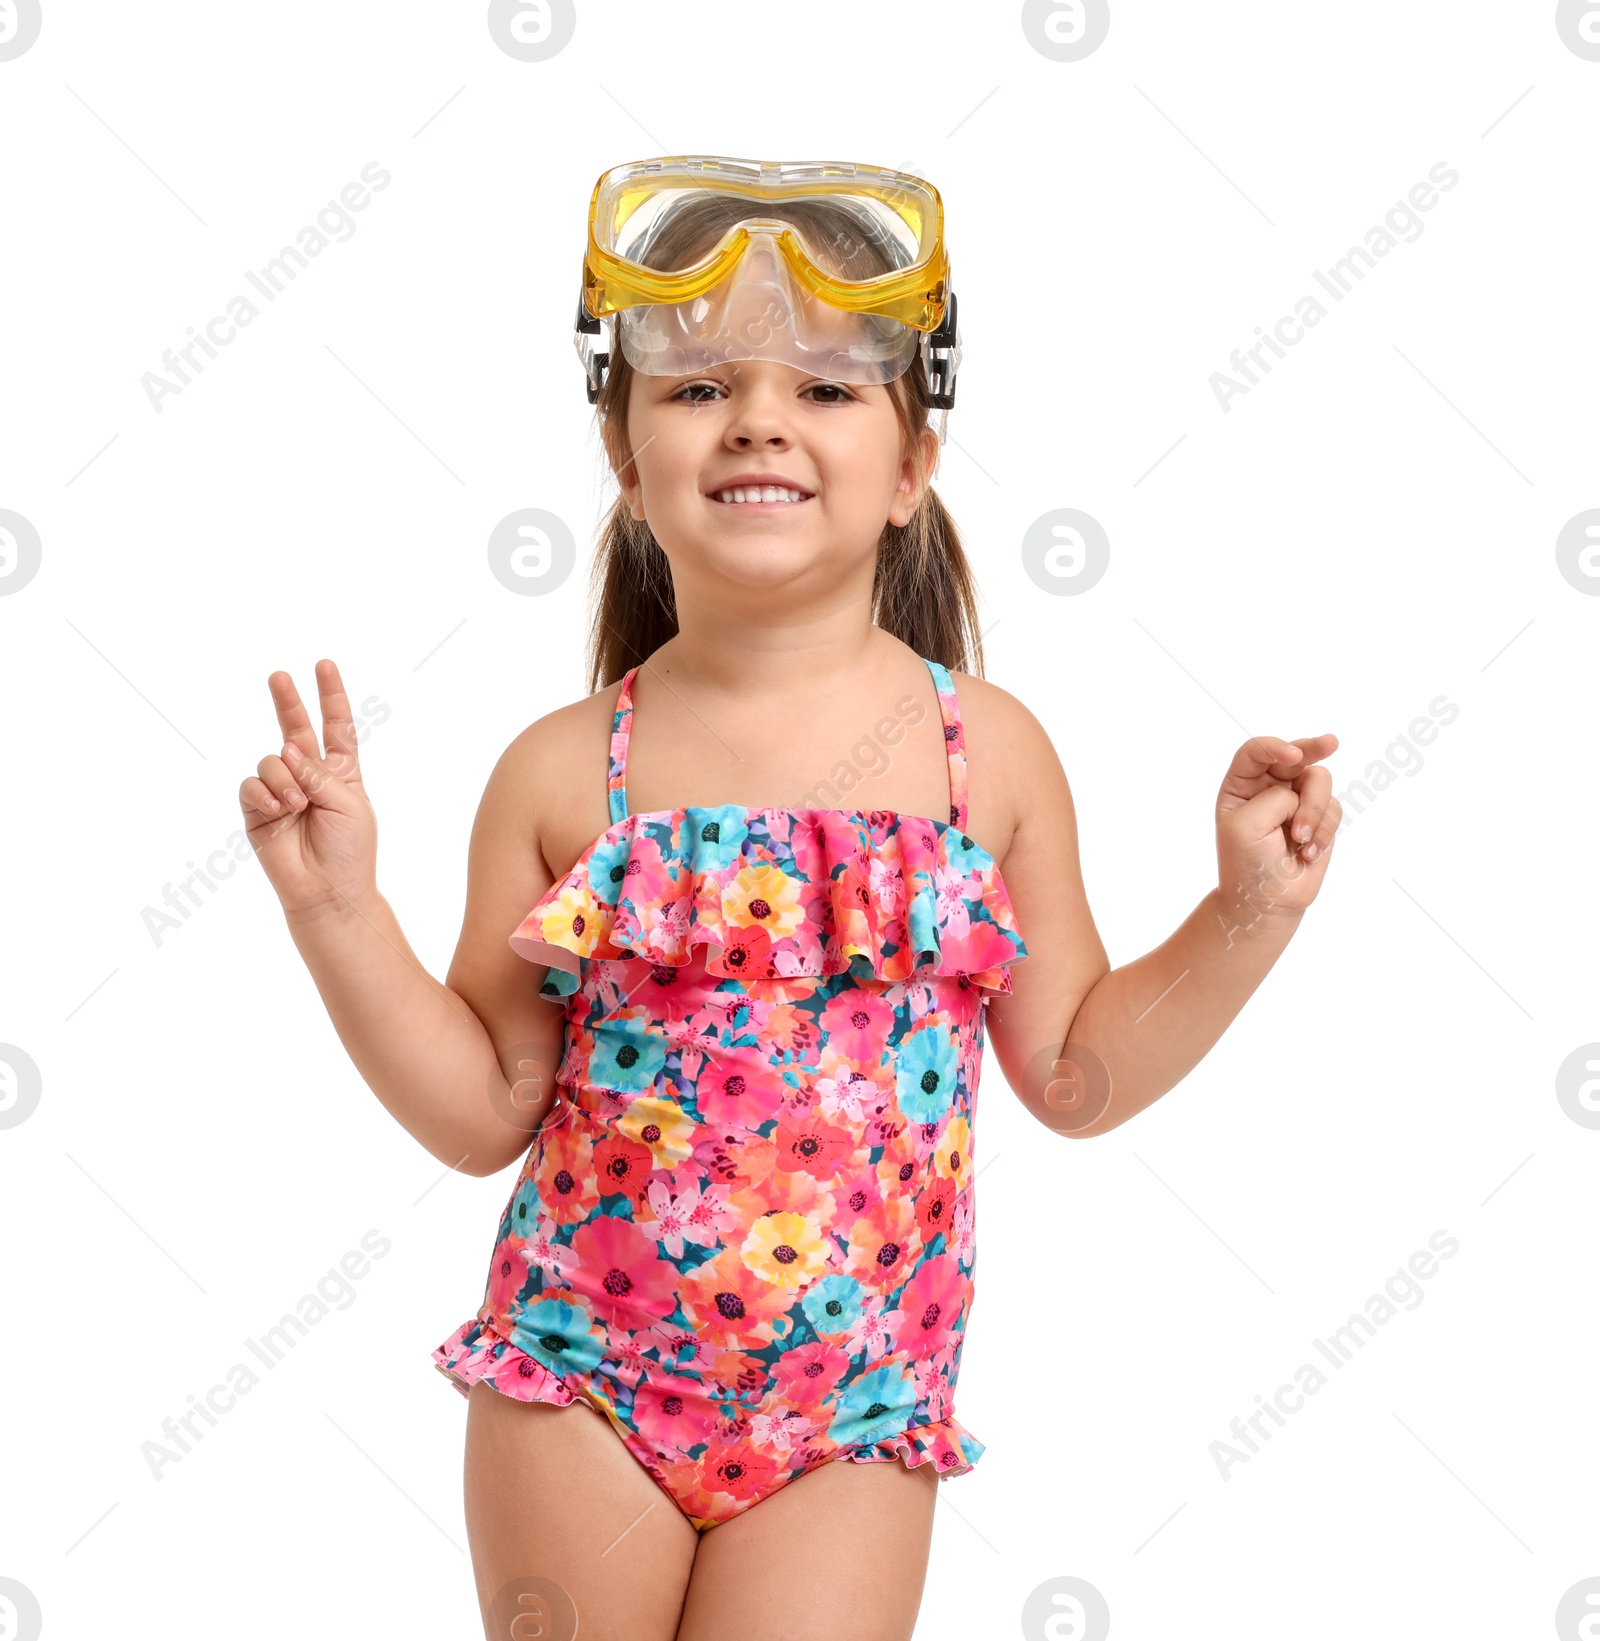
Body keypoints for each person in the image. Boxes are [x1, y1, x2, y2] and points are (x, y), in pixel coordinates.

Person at [238, 154, 1341, 1641]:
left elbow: (1075, 1071)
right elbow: (488, 1102)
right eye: (697, 386)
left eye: (827, 387)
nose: (759, 412)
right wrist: (337, 916)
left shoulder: (982, 758)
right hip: (584, 1381)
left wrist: (1245, 913)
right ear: (626, 461)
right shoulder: (568, 773)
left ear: (912, 466)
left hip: (857, 1411)